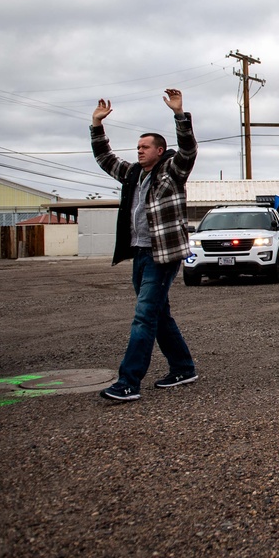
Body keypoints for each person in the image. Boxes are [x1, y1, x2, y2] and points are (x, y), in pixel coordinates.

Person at [90, 89, 198, 401]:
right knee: (158, 314)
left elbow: (189, 150)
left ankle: (128, 382)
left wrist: (179, 115)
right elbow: (105, 159)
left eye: (145, 146)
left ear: (160, 150)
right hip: (139, 252)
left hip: (162, 255)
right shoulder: (134, 173)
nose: (139, 151)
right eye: (137, 146)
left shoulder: (172, 171)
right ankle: (183, 367)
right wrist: (97, 125)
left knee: (144, 315)